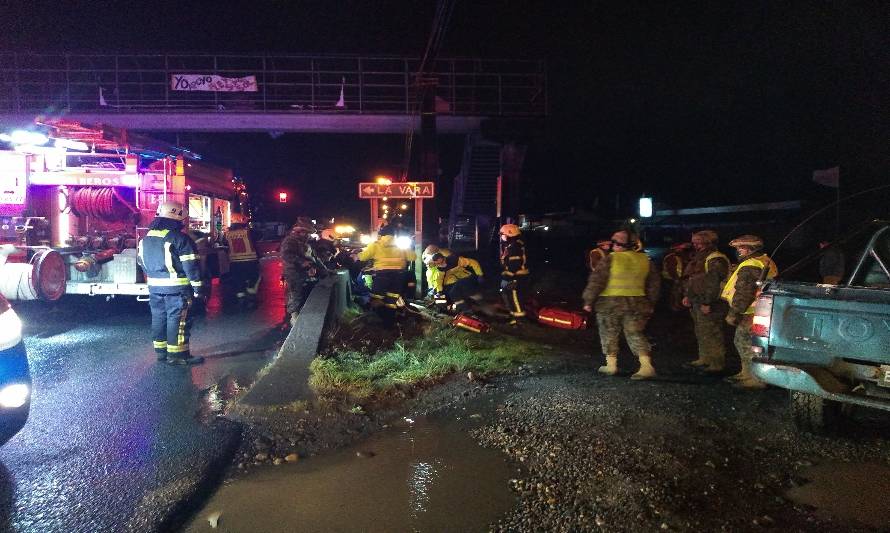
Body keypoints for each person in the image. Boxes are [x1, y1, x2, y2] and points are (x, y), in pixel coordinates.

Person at [582, 230, 660, 379]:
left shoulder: (611, 259)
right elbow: (653, 285)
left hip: (610, 303)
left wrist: (588, 300)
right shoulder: (645, 260)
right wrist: (651, 302)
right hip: (638, 303)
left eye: (616, 242)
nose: (613, 245)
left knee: (608, 333)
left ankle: (611, 366)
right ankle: (646, 366)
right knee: (635, 333)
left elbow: (597, 280)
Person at [137, 201, 205, 365]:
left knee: (159, 317)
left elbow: (141, 262)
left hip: (154, 288)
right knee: (178, 320)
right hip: (177, 290)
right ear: (177, 219)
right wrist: (197, 288)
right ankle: (178, 355)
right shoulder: (180, 239)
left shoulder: (145, 239)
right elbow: (191, 266)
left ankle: (161, 352)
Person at [722, 235, 778, 389]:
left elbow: (745, 291)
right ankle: (746, 373)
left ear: (748, 248)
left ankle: (755, 378)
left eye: (740, 248)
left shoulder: (751, 264)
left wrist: (735, 312)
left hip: (750, 310)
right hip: (761, 308)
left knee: (746, 343)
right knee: (745, 342)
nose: (738, 251)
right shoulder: (764, 260)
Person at [681, 231, 730, 372]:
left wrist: (708, 303)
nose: (694, 244)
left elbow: (713, 283)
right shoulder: (700, 257)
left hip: (710, 303)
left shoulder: (715, 259)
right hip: (698, 301)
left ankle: (716, 364)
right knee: (702, 332)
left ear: (708, 242)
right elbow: (693, 280)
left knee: (712, 333)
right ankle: (705, 359)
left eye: (698, 242)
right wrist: (688, 296)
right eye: (694, 241)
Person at [358, 224, 415, 326]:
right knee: (391, 301)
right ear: (394, 235)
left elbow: (362, 258)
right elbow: (412, 257)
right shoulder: (400, 245)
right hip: (398, 276)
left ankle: (376, 321)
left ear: (381, 235)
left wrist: (361, 252)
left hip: (382, 276)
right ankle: (389, 323)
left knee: (376, 298)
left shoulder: (376, 244)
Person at [281, 217, 327, 326]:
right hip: (294, 272)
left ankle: (302, 317)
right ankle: (293, 319)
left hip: (306, 273)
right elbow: (286, 255)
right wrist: (302, 262)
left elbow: (314, 258)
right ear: (298, 231)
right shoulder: (290, 241)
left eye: (308, 233)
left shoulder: (306, 243)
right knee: (296, 294)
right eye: (305, 232)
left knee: (304, 295)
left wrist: (324, 270)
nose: (307, 235)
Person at [224, 213, 260, 301]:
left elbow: (224, 244)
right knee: (254, 277)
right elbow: (259, 236)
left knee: (238, 279)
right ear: (242, 221)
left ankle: (240, 296)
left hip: (235, 262)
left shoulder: (227, 233)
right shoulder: (248, 231)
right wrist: (247, 224)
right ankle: (251, 293)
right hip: (250, 261)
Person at [499, 224, 530, 325]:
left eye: (502, 234)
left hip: (516, 277)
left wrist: (507, 277)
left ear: (509, 234)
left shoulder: (514, 247)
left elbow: (514, 265)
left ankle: (520, 321)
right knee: (511, 298)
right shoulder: (514, 245)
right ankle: (514, 318)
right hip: (516, 276)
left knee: (515, 298)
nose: (501, 236)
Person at [661, 242, 692, 311]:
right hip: (672, 279)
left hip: (675, 279)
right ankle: (675, 307)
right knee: (674, 293)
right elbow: (672, 269)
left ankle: (676, 306)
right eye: (682, 248)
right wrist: (677, 278)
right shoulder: (672, 257)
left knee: (676, 293)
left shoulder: (679, 256)